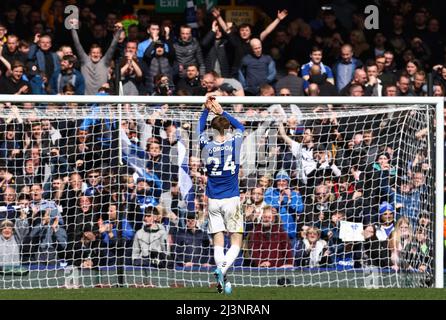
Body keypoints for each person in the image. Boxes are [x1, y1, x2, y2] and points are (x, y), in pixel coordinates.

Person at [198, 96, 245, 294]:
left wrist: (205, 110)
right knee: (236, 240)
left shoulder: (205, 145)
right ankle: (222, 269)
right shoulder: (234, 142)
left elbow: (200, 129)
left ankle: (222, 282)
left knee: (218, 240)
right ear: (227, 128)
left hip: (213, 201)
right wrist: (221, 111)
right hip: (231, 199)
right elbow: (240, 126)